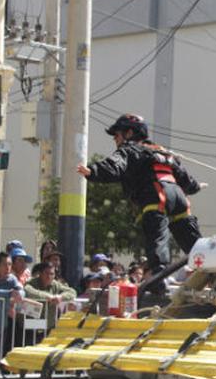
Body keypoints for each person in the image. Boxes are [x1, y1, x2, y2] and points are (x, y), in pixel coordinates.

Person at [78, 114, 204, 276]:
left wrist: (93, 171)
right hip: (179, 197)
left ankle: (159, 275)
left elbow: (116, 164)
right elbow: (184, 177)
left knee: (156, 235)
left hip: (157, 195)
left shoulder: (129, 149)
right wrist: (196, 187)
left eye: (117, 134)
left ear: (129, 133)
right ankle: (208, 264)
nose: (115, 139)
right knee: (191, 240)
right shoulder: (163, 152)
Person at [24, 262, 77, 329]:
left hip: (49, 326)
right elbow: (27, 290)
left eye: (52, 274)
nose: (49, 276)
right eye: (46, 273)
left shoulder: (55, 284)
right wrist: (48, 297)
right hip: (30, 326)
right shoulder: (32, 282)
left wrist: (60, 297)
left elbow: (72, 292)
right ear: (40, 273)